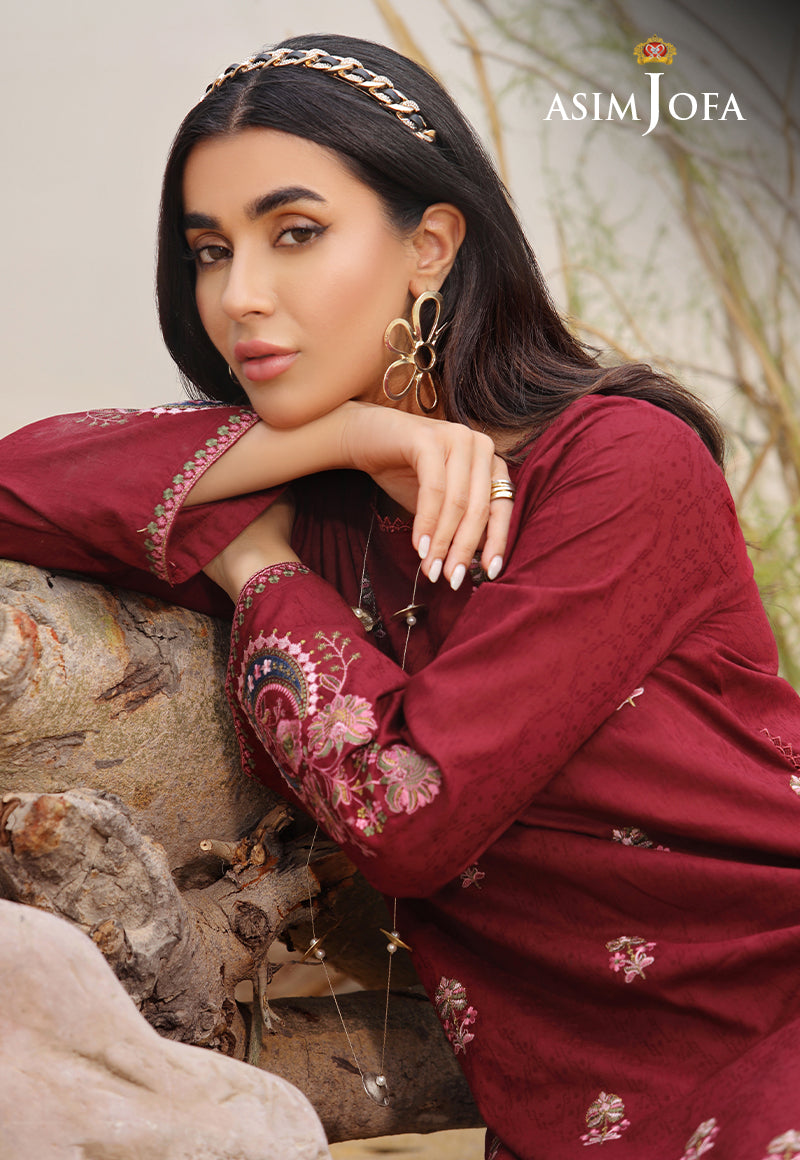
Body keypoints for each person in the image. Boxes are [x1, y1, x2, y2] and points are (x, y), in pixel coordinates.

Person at [2, 33, 800, 1160]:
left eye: (294, 233)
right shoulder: (318, 505)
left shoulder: (618, 464)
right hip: (570, 1112)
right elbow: (16, 479)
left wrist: (257, 567)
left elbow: (407, 815)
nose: (239, 295)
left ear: (429, 246)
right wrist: (343, 436)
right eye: (209, 250)